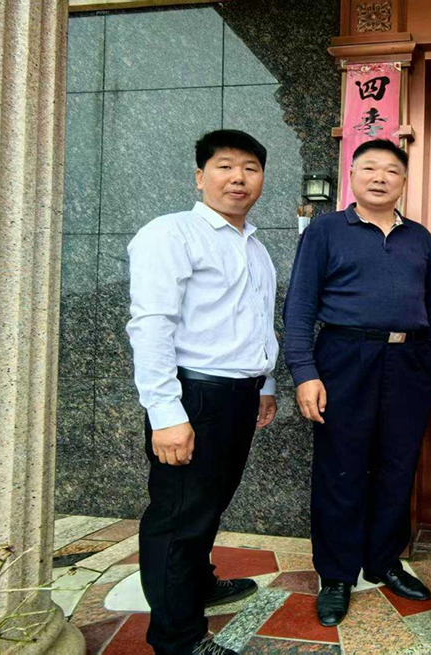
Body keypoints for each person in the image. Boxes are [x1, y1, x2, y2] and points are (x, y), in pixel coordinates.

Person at [283, 139, 431, 626]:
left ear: (404, 181)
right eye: (370, 168)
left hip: (409, 360)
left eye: (391, 171)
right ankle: (336, 575)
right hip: (344, 356)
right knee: (341, 467)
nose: (380, 177)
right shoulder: (326, 230)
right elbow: (300, 305)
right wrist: (305, 372)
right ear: (352, 176)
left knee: (398, 466)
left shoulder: (419, 237)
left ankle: (383, 561)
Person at [127, 129, 278, 655]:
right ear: (200, 176)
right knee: (178, 517)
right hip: (192, 397)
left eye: (250, 168)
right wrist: (166, 413)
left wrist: (265, 384)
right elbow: (151, 325)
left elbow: (258, 322)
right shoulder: (171, 234)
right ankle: (179, 639)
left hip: (238, 396)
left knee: (207, 506)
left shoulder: (254, 246)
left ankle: (196, 584)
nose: (239, 178)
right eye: (225, 166)